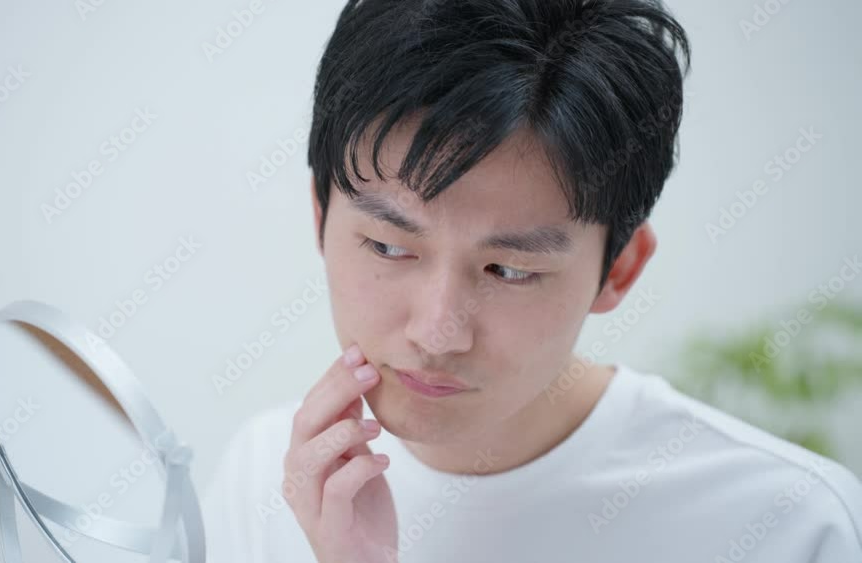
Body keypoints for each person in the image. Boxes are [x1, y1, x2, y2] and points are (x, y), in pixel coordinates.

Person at [201, 0, 862, 561]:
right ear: (321, 216)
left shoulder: (793, 524)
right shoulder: (264, 477)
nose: (438, 331)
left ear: (619, 269)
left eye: (510, 270)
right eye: (389, 246)